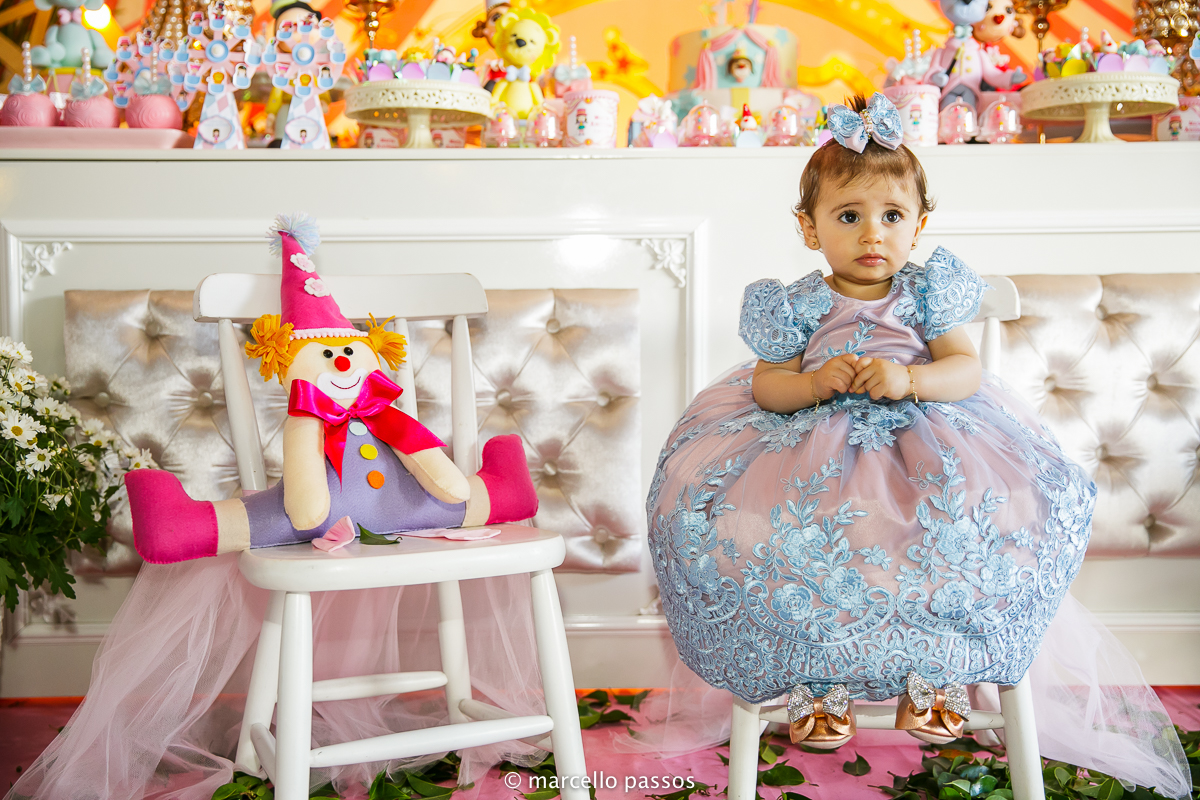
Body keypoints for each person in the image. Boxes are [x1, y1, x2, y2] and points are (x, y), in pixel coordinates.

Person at [640, 92, 1190, 795]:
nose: (873, 233)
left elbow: (966, 371)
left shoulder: (927, 294)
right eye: (849, 216)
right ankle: (816, 679)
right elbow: (767, 386)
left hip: (925, 430)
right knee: (794, 530)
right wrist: (812, 384)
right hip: (812, 440)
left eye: (892, 216)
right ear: (809, 228)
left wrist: (911, 377)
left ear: (920, 224)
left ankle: (937, 674)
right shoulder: (798, 303)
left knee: (960, 518)